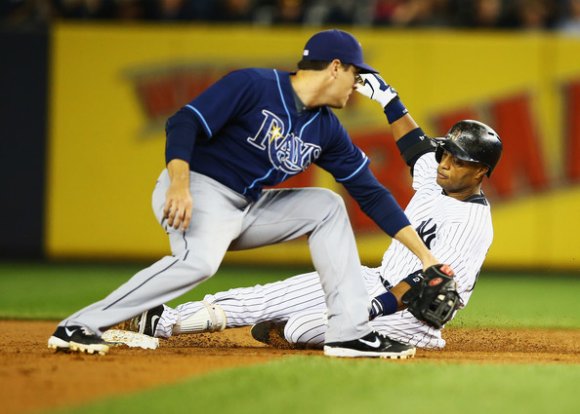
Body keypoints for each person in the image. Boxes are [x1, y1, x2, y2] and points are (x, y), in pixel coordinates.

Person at [48, 29, 442, 358]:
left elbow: (371, 194)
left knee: (327, 206)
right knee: (199, 262)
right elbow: (184, 123)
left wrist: (425, 258)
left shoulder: (327, 129)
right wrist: (180, 184)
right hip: (198, 189)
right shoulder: (255, 85)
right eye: (356, 74)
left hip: (246, 206)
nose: (358, 84)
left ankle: (347, 331)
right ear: (335, 67)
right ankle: (77, 326)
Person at [122, 73, 503, 351]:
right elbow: (416, 148)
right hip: (374, 279)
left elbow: (433, 289)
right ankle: (161, 320)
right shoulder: (438, 176)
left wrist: (364, 309)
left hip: (409, 316)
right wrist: (390, 101)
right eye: (447, 153)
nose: (445, 163)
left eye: (459, 160)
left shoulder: (470, 223)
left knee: (299, 329)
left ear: (481, 172)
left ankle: (332, 334)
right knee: (267, 297)